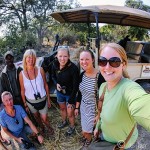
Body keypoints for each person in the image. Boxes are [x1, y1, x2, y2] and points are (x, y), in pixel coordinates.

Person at [91, 43, 150, 149]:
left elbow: (142, 105)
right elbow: (101, 111)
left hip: (124, 146)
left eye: (115, 62)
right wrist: (97, 127)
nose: (107, 67)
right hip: (104, 139)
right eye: (102, 61)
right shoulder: (103, 87)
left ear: (124, 65)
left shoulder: (129, 89)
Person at [75, 50, 105, 148]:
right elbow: (80, 93)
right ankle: (89, 138)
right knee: (86, 130)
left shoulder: (100, 77)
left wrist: (99, 115)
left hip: (94, 109)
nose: (84, 62)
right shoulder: (82, 75)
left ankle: (89, 141)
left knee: (86, 131)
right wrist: (76, 107)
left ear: (92, 60)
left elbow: (103, 98)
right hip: (83, 107)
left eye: (87, 59)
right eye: (82, 59)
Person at [19, 49, 53, 134]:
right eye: (29, 57)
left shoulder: (40, 70)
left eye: (33, 57)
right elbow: (22, 90)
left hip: (42, 100)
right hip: (31, 102)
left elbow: (46, 85)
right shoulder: (21, 74)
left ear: (35, 59)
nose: (31, 60)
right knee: (37, 117)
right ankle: (42, 128)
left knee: (45, 118)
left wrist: (49, 99)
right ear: (25, 59)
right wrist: (25, 104)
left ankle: (50, 129)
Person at [51, 46, 79, 136]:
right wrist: (56, 84)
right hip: (60, 93)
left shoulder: (73, 68)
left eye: (65, 56)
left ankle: (72, 126)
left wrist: (71, 100)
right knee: (62, 109)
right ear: (57, 56)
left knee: (70, 113)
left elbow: (76, 86)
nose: (62, 59)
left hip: (70, 94)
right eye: (60, 56)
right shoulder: (54, 64)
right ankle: (64, 122)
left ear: (69, 56)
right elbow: (53, 76)